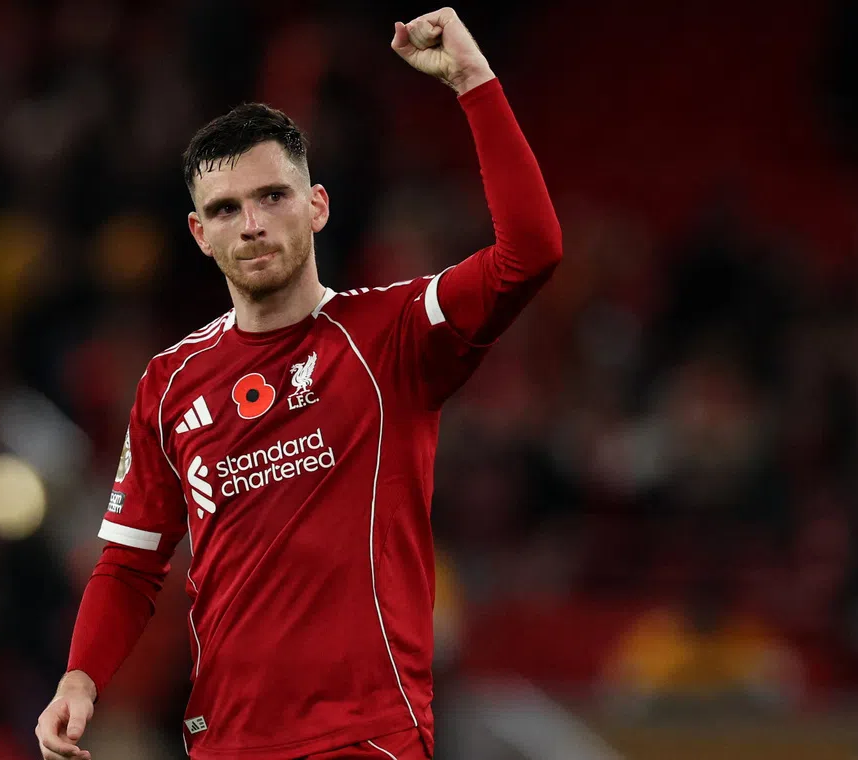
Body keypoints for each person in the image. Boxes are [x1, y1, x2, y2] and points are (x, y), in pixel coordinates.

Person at [34, 7, 562, 759]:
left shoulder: (393, 333)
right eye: (225, 208)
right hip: (226, 740)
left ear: (316, 206)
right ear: (199, 233)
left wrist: (473, 82)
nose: (251, 223)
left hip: (363, 736)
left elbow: (531, 252)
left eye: (272, 196)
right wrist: (79, 680)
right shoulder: (170, 382)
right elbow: (129, 562)